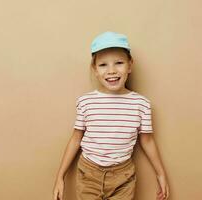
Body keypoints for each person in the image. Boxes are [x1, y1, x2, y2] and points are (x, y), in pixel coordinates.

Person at [53, 31, 170, 200]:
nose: (112, 71)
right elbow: (75, 139)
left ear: (130, 65)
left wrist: (161, 174)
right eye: (103, 65)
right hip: (88, 174)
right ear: (95, 69)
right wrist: (60, 177)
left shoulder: (141, 104)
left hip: (123, 177)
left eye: (119, 63)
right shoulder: (86, 102)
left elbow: (147, 141)